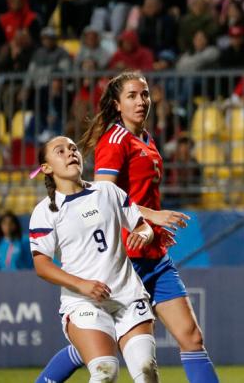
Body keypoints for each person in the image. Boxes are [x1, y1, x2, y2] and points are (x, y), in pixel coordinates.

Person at [36, 71, 220, 383]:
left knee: (191, 336)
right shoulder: (115, 141)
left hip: (152, 253)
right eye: (132, 96)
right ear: (117, 104)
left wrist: (151, 228)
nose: (141, 101)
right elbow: (102, 197)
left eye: (145, 94)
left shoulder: (146, 139)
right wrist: (155, 217)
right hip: (122, 258)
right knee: (95, 349)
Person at [29, 136, 160, 383]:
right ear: (46, 168)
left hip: (128, 295)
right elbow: (42, 266)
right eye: (60, 151)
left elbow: (144, 227)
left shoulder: (107, 190)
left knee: (146, 371)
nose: (70, 153)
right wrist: (83, 285)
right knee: (105, 373)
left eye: (73, 148)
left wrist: (142, 235)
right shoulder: (45, 211)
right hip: (84, 302)